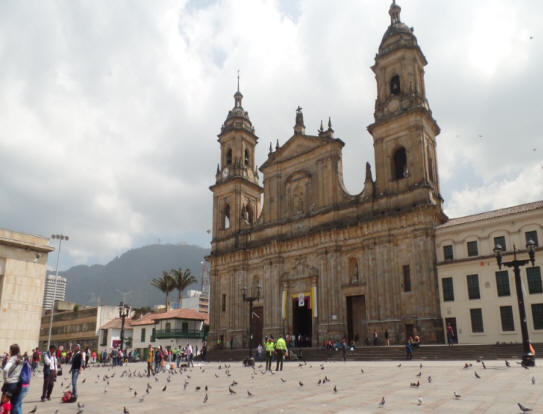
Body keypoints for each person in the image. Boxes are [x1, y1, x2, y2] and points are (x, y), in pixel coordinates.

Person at [1, 344, 22, 412]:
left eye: (10, 349)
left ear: (12, 350)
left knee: (3, 403)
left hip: (9, 385)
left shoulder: (12, 359)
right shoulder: (21, 358)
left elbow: (5, 369)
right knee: (13, 403)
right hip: (16, 384)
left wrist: (5, 379)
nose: (9, 351)